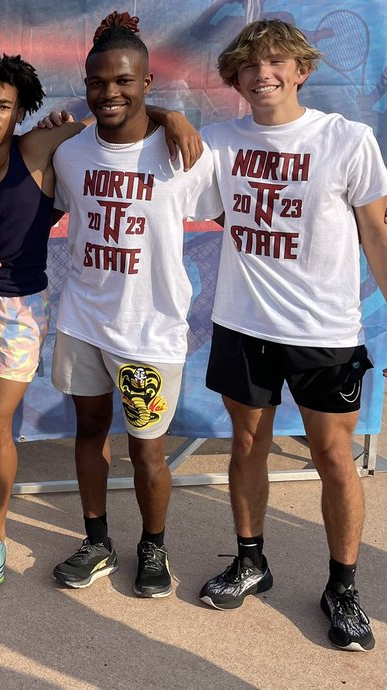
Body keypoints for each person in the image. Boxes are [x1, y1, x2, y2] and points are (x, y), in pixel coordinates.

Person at [0, 50, 201, 587]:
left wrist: (173, 116)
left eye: (4, 106)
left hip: (21, 311)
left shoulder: (38, 149)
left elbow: (117, 113)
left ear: (18, 112)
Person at [197, 19, 387, 652]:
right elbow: (209, 206)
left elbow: (377, 234)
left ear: (302, 71)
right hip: (243, 323)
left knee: (334, 455)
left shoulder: (347, 139)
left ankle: (344, 587)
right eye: (249, 66)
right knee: (246, 440)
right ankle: (251, 560)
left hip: (324, 330)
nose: (262, 74)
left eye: (276, 62)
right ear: (235, 79)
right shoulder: (219, 141)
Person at [47, 12, 219, 598]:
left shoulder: (185, 154)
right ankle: (97, 540)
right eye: (98, 82)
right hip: (82, 320)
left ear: (148, 83)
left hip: (150, 332)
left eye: (123, 81)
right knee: (88, 431)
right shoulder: (69, 153)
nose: (109, 93)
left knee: (148, 452)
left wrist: (175, 119)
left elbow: (235, 220)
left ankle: (153, 547)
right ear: (86, 84)